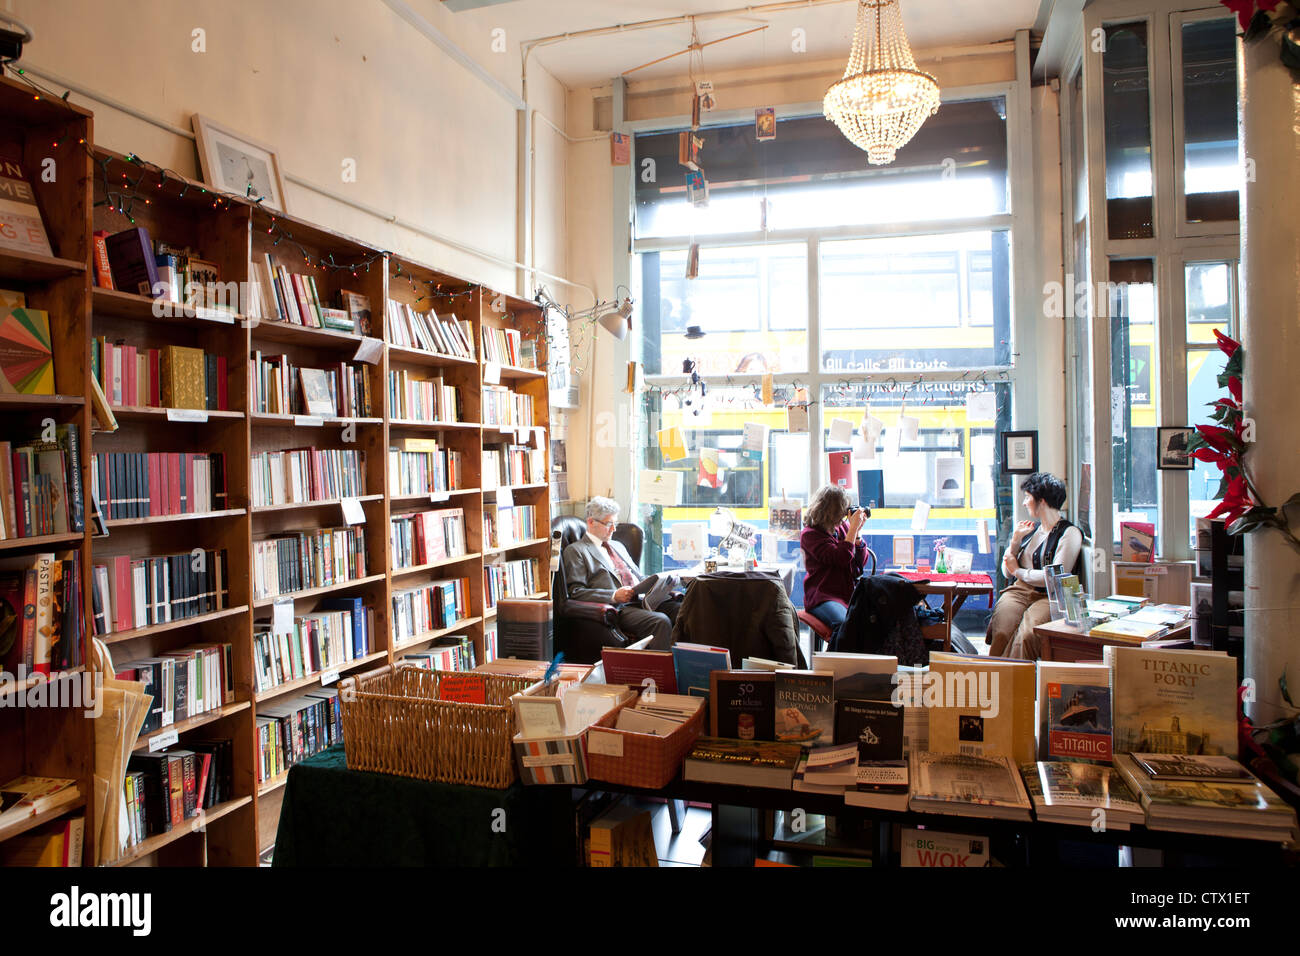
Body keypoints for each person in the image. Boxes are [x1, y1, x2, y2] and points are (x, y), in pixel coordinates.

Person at [987, 472, 1084, 660]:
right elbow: (1006, 572)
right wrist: (1015, 542)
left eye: (1027, 497)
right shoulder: (1031, 531)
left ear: (1042, 500)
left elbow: (1055, 577)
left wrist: (1019, 571)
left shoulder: (1069, 533)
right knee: (1002, 630)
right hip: (1019, 591)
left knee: (1027, 636)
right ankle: (995, 675)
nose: (1024, 503)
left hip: (1049, 596)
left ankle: (1013, 680)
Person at [561, 496, 680, 650]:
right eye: (609, 524)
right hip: (620, 607)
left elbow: (638, 576)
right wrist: (613, 595)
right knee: (660, 621)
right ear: (591, 522)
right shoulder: (577, 550)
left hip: (643, 600)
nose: (614, 529)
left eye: (615, 524)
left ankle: (686, 666)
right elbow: (576, 592)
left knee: (682, 610)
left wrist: (661, 585)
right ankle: (664, 672)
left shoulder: (618, 545)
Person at [799, 484, 869, 645]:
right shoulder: (810, 535)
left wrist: (857, 534)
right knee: (845, 625)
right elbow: (841, 558)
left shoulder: (842, 528)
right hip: (822, 596)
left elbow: (859, 564)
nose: (845, 514)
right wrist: (852, 530)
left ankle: (861, 664)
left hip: (847, 595)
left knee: (873, 623)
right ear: (832, 511)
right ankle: (836, 667)